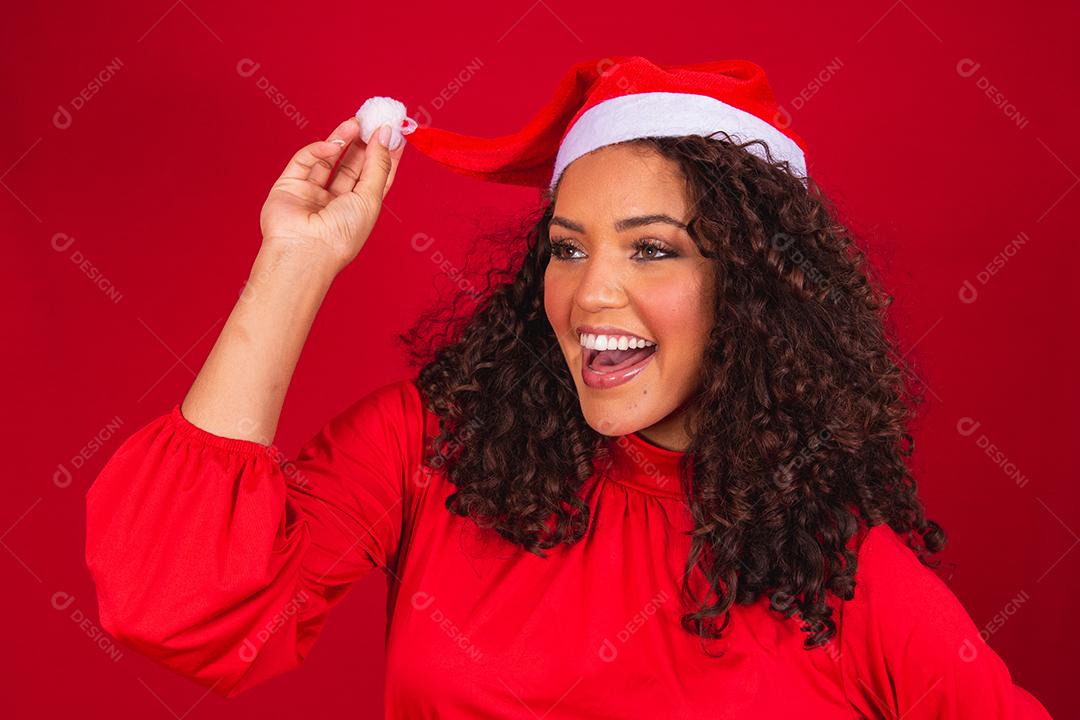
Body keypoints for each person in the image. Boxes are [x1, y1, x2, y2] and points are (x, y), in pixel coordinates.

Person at [84, 57, 1053, 718]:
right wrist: (295, 260)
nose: (591, 291)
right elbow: (176, 606)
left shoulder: (849, 576)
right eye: (567, 248)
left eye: (653, 249)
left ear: (752, 291)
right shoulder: (437, 454)